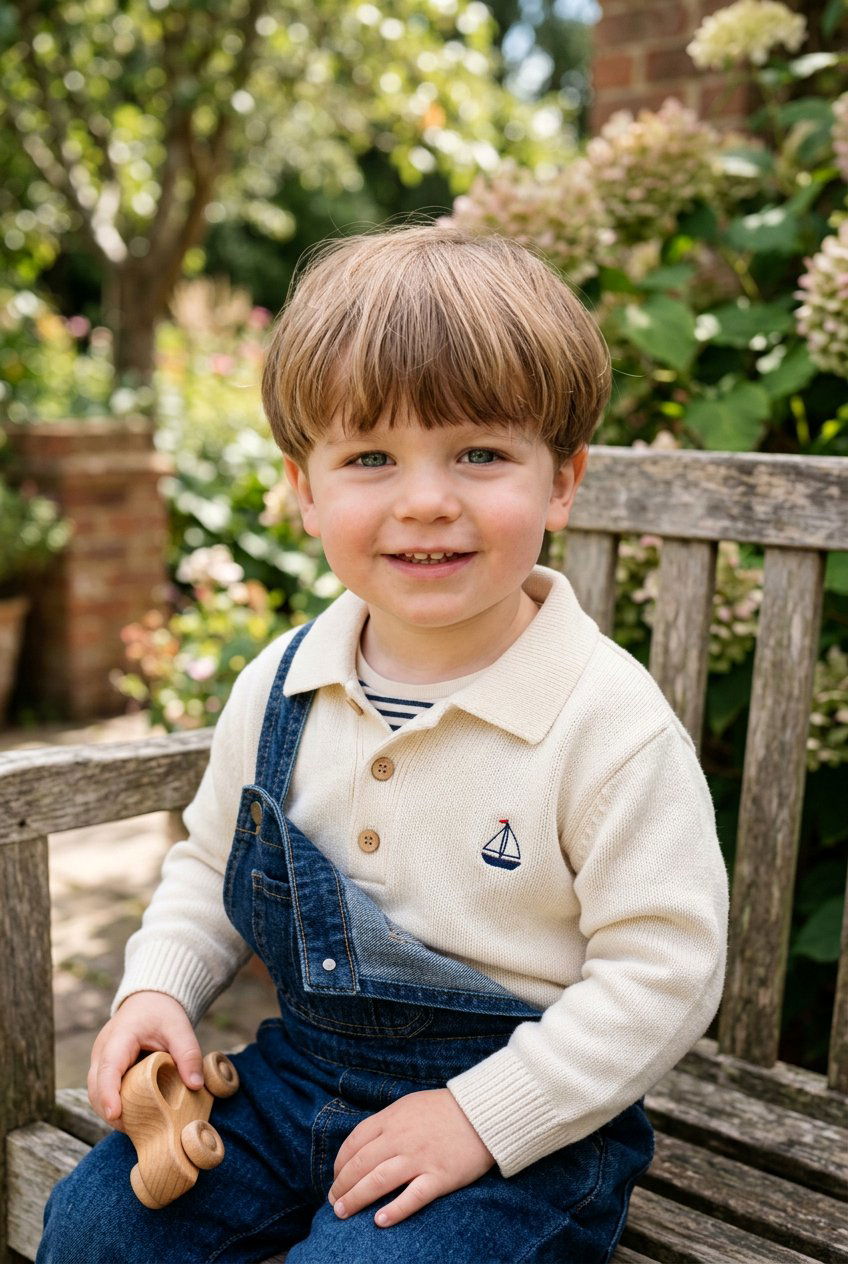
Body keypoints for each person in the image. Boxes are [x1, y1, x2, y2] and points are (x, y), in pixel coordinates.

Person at [38, 222, 728, 1264]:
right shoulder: (279, 686)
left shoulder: (604, 723)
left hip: (521, 1119)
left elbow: (662, 969)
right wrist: (157, 988)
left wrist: (483, 1115)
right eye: (369, 456)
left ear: (561, 479)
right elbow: (210, 863)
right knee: (95, 1228)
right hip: (298, 1079)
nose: (424, 500)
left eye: (480, 453)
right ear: (304, 488)